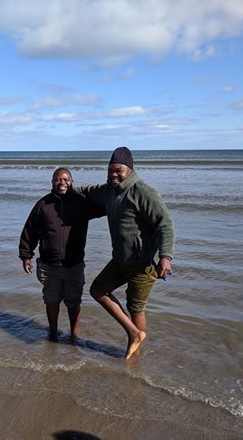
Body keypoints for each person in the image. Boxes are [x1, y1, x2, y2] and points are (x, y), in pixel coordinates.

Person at [77, 147, 175, 359]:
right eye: (110, 170)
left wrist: (165, 257)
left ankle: (135, 354)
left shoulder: (144, 193)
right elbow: (87, 191)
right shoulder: (109, 190)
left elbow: (165, 225)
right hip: (120, 261)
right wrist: (66, 189)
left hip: (143, 264)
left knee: (136, 307)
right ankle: (134, 333)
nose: (113, 174)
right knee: (98, 290)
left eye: (118, 171)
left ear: (129, 170)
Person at [19, 168, 105, 342]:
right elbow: (30, 230)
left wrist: (119, 199)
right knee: (51, 301)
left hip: (74, 266)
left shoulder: (82, 203)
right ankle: (53, 334)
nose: (62, 183)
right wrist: (26, 255)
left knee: (74, 302)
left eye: (66, 179)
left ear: (72, 182)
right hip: (49, 266)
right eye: (58, 179)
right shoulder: (43, 205)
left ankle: (74, 335)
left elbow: (107, 207)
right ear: (52, 182)